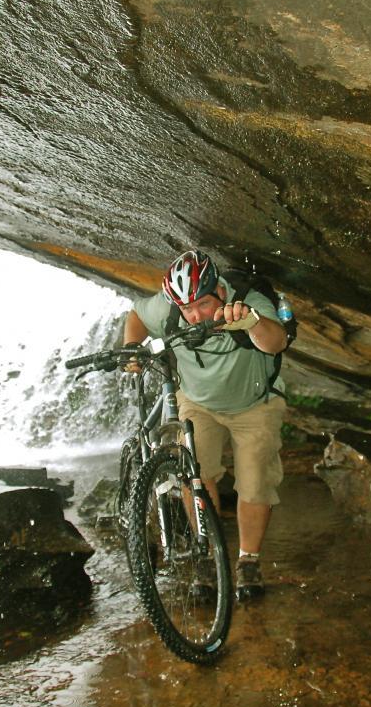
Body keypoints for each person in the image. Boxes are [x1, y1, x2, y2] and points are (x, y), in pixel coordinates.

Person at [122, 248, 289, 600]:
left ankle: (248, 562)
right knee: (196, 474)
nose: (195, 316)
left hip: (255, 404)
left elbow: (276, 343)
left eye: (202, 305)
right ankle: (208, 553)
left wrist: (252, 322)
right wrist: (131, 347)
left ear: (221, 291)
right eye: (187, 309)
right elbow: (137, 314)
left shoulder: (249, 300)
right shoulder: (169, 308)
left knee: (255, 483)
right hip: (197, 402)